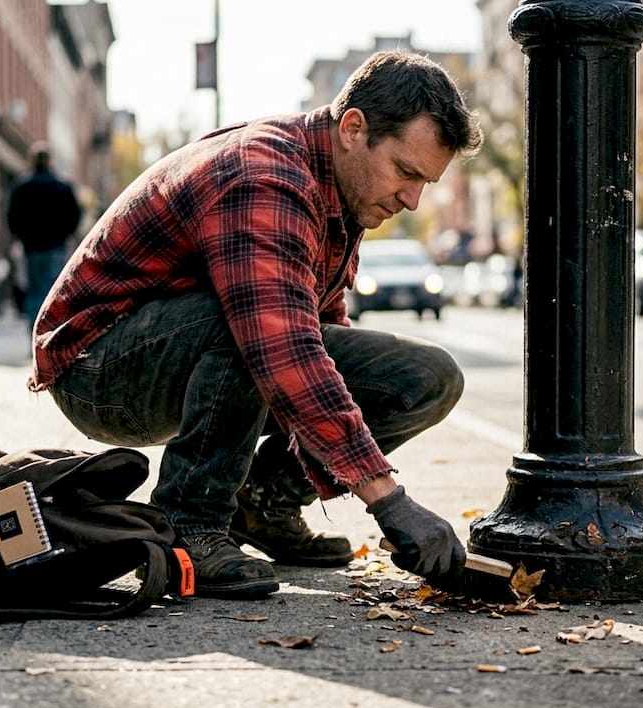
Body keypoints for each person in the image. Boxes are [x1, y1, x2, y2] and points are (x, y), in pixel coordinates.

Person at [28, 50, 483, 599]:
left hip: (183, 348)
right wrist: (390, 501)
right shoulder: (264, 174)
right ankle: (188, 525)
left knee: (427, 376)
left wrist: (331, 450)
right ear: (353, 128)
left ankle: (262, 503)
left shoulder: (344, 189)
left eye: (425, 183)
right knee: (255, 321)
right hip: (98, 369)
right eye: (406, 172)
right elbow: (282, 344)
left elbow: (323, 335)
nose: (412, 199)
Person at [5, 143, 83, 332]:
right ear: (50, 162)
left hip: (31, 247)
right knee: (53, 289)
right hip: (56, 246)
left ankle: (34, 331)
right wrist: (65, 234)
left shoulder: (22, 187)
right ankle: (50, 332)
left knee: (33, 291)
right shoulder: (62, 186)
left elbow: (11, 216)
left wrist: (21, 236)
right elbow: (75, 214)